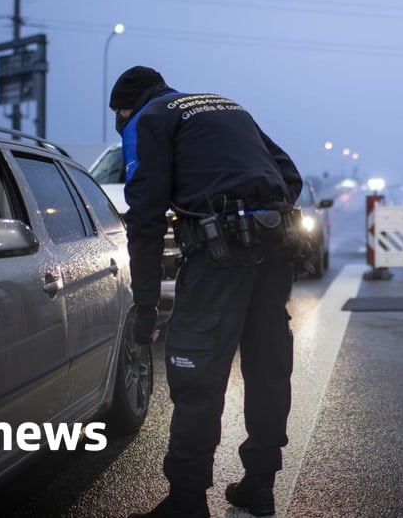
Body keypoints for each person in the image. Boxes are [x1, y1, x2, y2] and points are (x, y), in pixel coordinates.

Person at [111, 66, 304, 518]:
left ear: (124, 108)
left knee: (196, 372)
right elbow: (288, 175)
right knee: (268, 368)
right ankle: (260, 485)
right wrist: (256, 218)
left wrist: (144, 308)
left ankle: (187, 500)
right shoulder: (226, 105)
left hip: (218, 261)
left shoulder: (149, 118)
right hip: (275, 251)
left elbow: (145, 218)